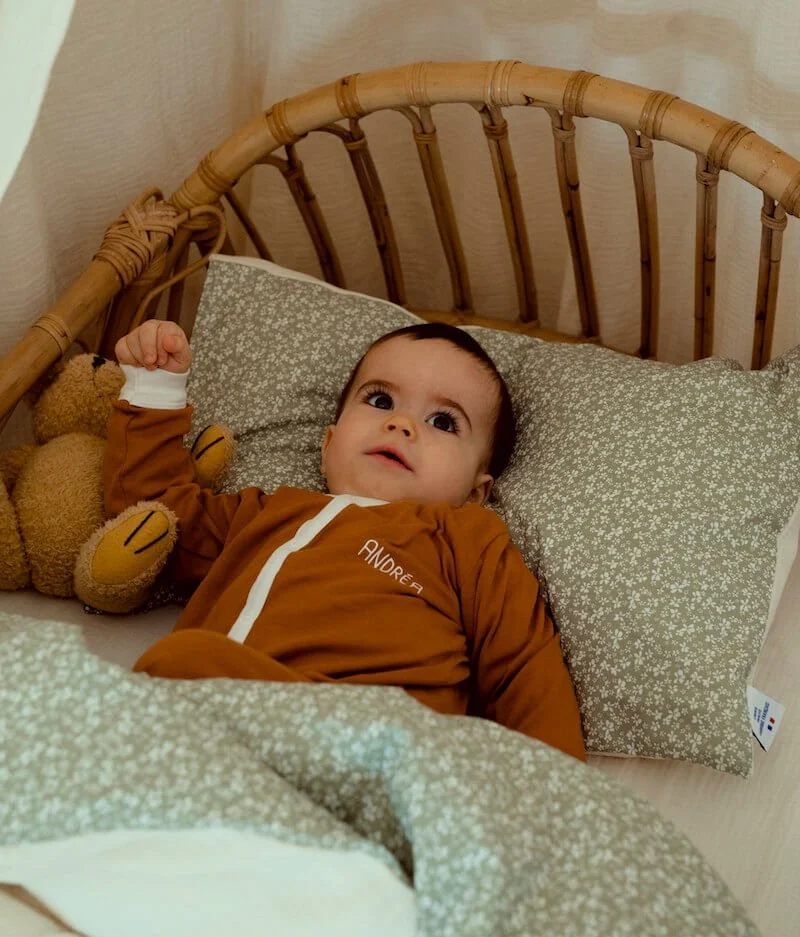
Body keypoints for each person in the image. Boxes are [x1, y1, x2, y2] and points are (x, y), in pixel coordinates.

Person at [106, 318, 586, 761]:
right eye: (380, 401)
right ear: (328, 444)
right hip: (227, 744)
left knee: (179, 663)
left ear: (476, 494)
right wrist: (154, 387)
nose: (401, 425)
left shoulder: (467, 540)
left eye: (443, 422)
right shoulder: (267, 515)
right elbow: (152, 518)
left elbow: (525, 671)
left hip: (379, 749)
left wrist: (558, 801)